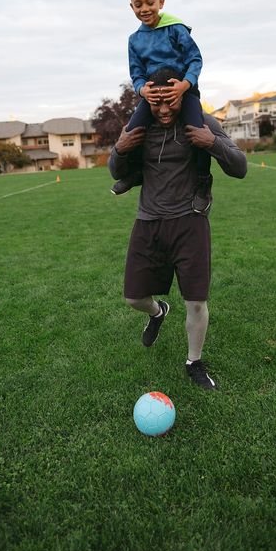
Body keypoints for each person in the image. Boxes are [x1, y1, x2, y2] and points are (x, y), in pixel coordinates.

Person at [109, 67, 247, 390]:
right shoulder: (140, 127)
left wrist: (211, 141)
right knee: (133, 298)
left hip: (190, 221)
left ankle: (194, 362)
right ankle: (158, 312)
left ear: (181, 95)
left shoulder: (201, 123)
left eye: (170, 101)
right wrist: (121, 146)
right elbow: (113, 169)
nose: (165, 109)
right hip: (149, 222)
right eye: (156, 103)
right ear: (148, 99)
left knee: (196, 301)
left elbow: (240, 167)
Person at [111, 0, 213, 213]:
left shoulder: (175, 29)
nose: (145, 9)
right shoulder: (134, 40)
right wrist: (142, 89)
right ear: (131, 7)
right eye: (138, 5)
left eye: (150, 2)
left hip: (183, 93)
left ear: (161, 2)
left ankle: (203, 182)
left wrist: (184, 85)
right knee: (133, 130)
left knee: (197, 133)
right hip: (153, 97)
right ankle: (136, 172)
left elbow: (195, 60)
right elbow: (136, 74)